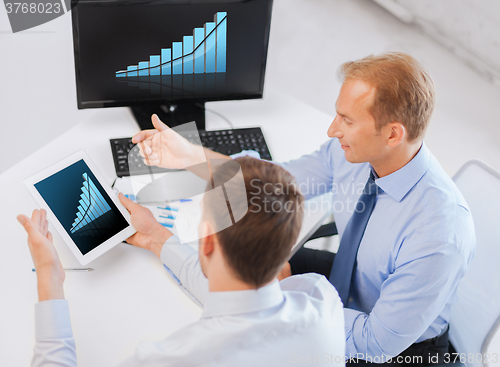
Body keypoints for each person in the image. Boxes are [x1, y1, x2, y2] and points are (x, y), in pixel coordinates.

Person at [133, 52, 476, 365]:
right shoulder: (355, 155)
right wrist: (190, 155)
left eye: (347, 120)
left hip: (398, 351)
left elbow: (376, 342)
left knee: (245, 294)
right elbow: (269, 187)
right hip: (351, 282)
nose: (332, 129)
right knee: (242, 266)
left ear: (392, 134)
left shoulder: (439, 234)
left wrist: (275, 301)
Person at [18, 157, 346, 367]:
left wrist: (49, 277)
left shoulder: (174, 358)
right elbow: (241, 299)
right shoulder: (321, 299)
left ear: (206, 243)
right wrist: (156, 238)